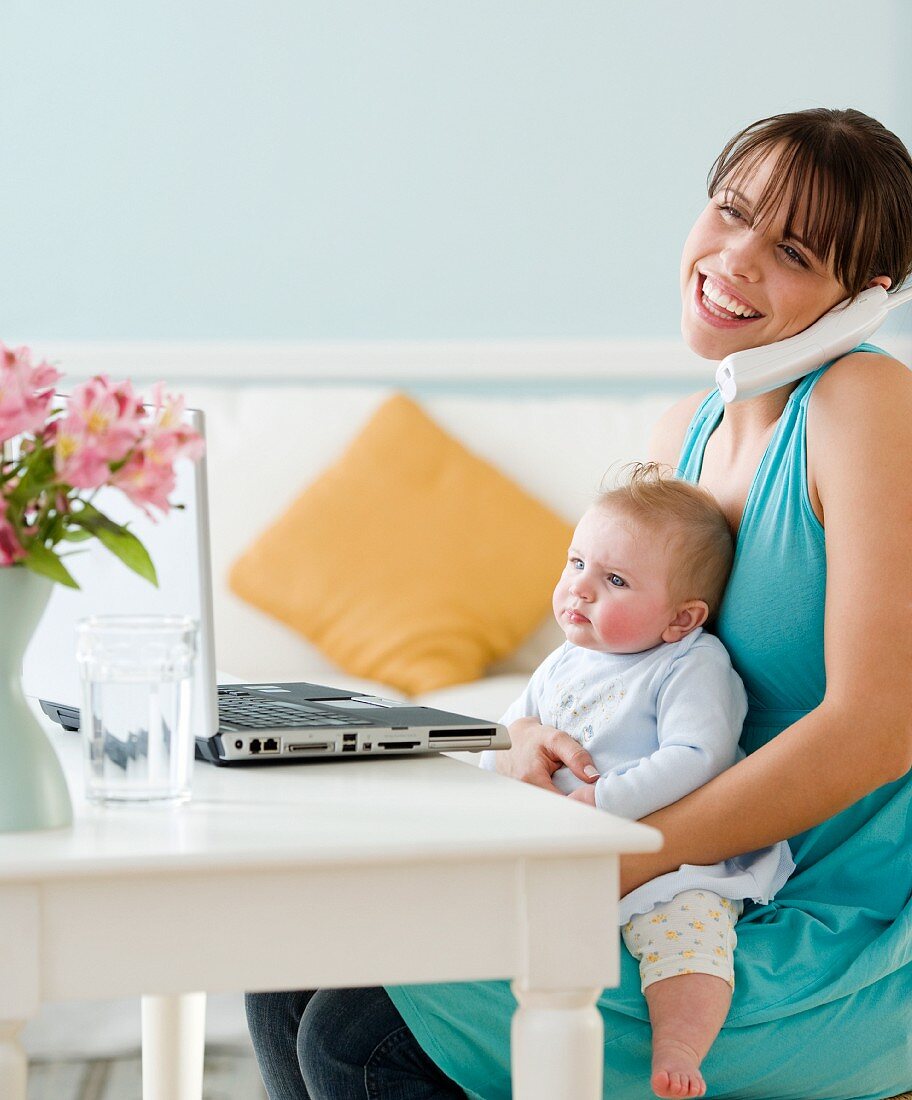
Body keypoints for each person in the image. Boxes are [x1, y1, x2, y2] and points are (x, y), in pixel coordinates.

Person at [246, 107, 912, 1100]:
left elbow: (879, 725)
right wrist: (528, 746)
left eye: (793, 250)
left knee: (360, 1033)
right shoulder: (682, 427)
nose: (733, 259)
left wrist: (616, 859)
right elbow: (611, 663)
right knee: (291, 965)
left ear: (862, 300)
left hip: (817, 919)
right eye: (731, 211)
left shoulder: (864, 405)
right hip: (671, 872)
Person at [478, 462, 794, 1099]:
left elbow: (697, 755)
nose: (581, 590)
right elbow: (504, 743)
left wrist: (604, 800)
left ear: (680, 618)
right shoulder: (565, 661)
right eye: (576, 564)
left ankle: (679, 1040)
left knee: (685, 934)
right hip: (568, 844)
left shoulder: (688, 662)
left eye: (614, 579)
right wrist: (512, 757)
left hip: (672, 857)